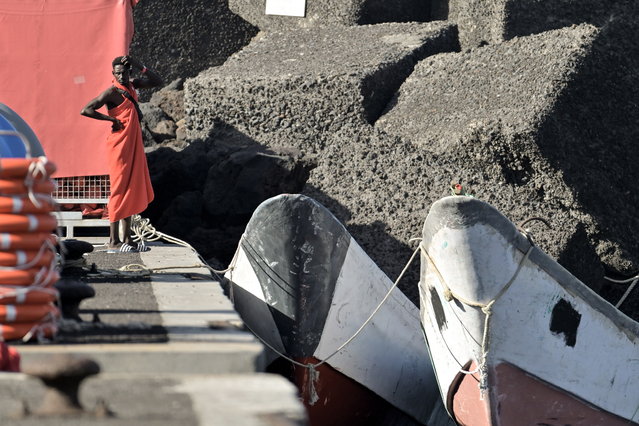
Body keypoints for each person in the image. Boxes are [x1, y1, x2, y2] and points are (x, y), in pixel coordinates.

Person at [81, 56, 162, 252]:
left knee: (131, 187)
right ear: (113, 74)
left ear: (129, 73)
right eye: (117, 73)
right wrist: (111, 120)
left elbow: (157, 81)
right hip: (118, 145)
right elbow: (86, 109)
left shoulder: (132, 86)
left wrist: (137, 64)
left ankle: (127, 238)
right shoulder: (112, 92)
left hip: (133, 144)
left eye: (124, 72)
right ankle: (113, 241)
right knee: (118, 189)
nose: (120, 76)